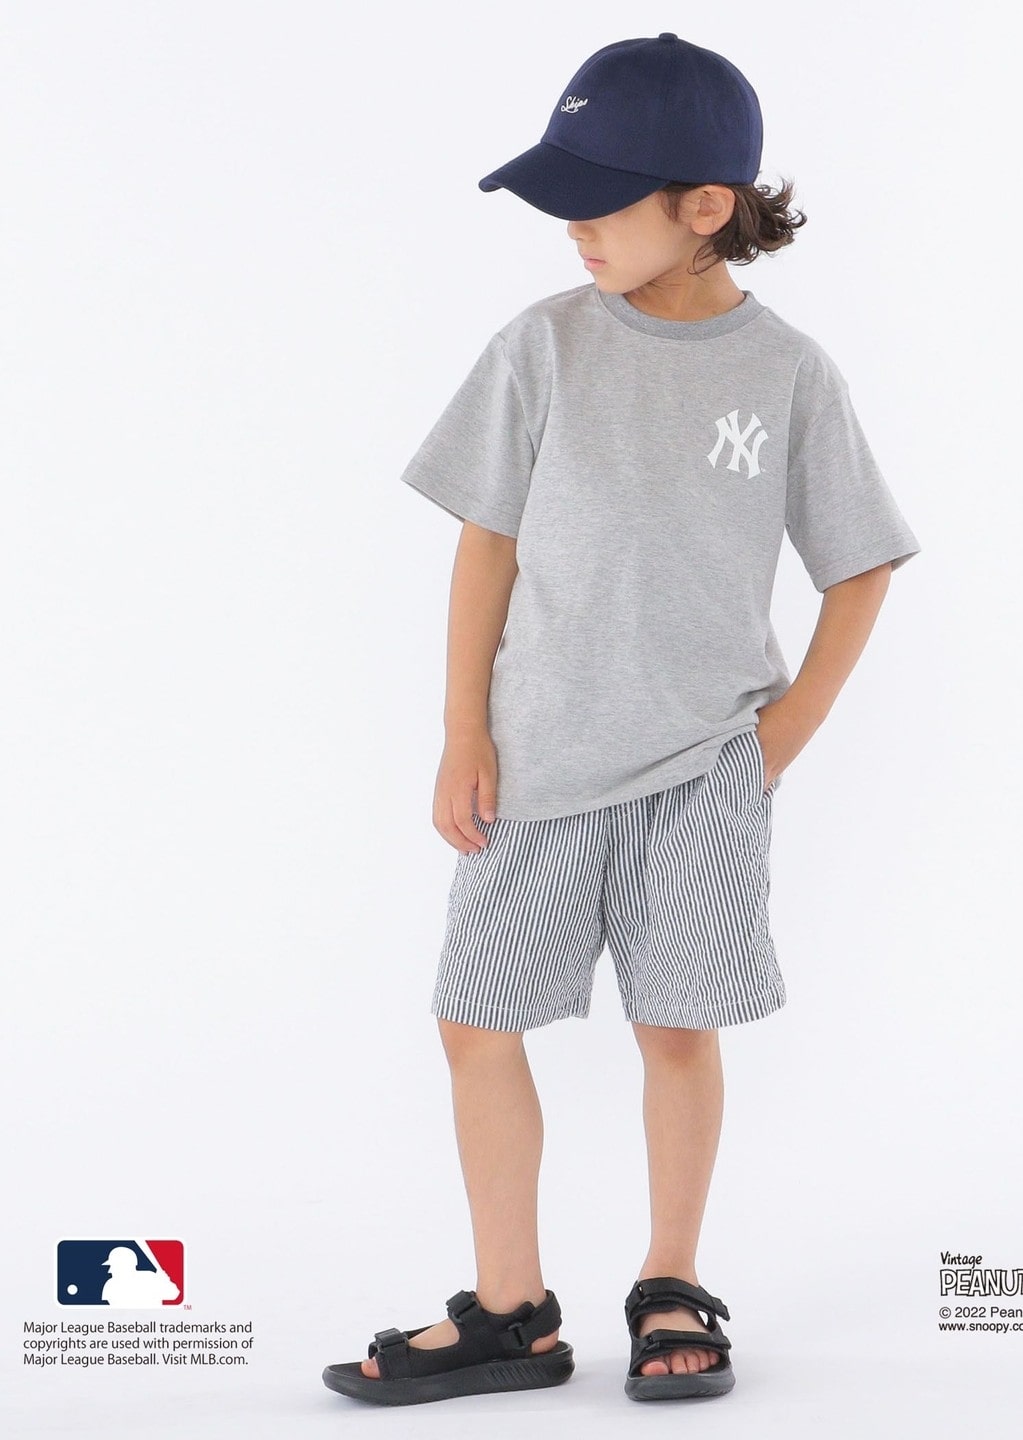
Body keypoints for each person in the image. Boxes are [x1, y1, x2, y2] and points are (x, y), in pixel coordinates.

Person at [322, 32, 921, 1408]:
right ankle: (512, 1312)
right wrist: (462, 732)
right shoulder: (542, 345)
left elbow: (863, 564)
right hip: (535, 762)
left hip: (705, 773)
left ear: (706, 205)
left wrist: (777, 741)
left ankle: (671, 1281)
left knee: (678, 1027)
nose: (572, 228)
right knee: (477, 1019)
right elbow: (485, 542)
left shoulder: (788, 373)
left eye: (600, 202)